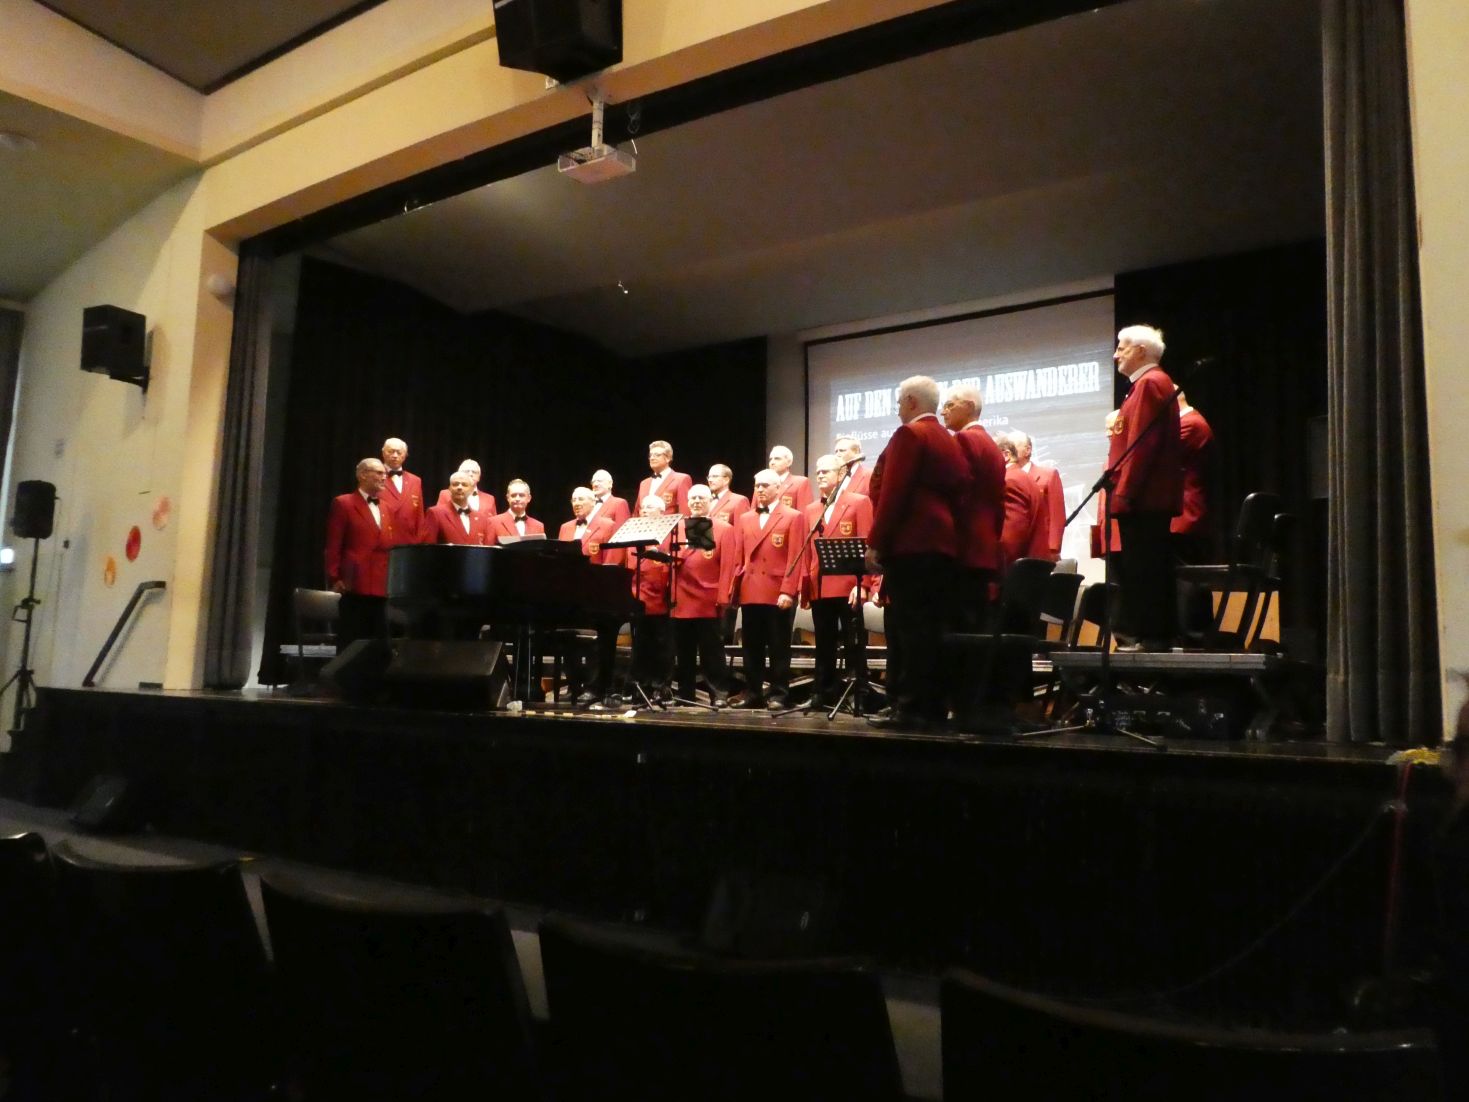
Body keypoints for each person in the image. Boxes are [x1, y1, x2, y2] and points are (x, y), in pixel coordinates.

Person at [865, 375, 968, 729]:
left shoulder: (910, 434)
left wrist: (877, 542)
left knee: (910, 631)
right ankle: (931, 708)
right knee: (933, 630)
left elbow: (894, 493)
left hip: (912, 543)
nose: (898, 410)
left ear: (911, 401)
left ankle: (909, 709)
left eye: (899, 402)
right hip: (942, 544)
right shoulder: (948, 439)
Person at [1109, 324, 1183, 651]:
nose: (1116, 355)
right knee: (1146, 567)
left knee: (1145, 570)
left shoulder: (1150, 383)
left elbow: (1141, 445)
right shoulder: (1147, 384)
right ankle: (1153, 636)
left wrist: (1125, 492)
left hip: (1144, 498)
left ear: (1141, 350)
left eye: (1122, 347)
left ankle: (1151, 637)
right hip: (1146, 496)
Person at [731, 469, 808, 709]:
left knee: (778, 646)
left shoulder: (793, 516)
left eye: (765, 485)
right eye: (757, 485)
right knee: (751, 646)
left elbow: (795, 556)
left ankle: (779, 694)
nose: (760, 489)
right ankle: (753, 693)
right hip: (751, 589)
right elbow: (739, 556)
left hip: (777, 590)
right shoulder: (745, 518)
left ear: (778, 488)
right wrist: (735, 589)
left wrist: (788, 590)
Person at [802, 454, 873, 709]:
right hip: (820, 586)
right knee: (824, 643)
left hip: (848, 585)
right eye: (818, 472)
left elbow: (867, 545)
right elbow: (808, 552)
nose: (820, 475)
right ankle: (823, 693)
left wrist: (864, 585)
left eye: (826, 471)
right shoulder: (812, 509)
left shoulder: (858, 502)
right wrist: (806, 588)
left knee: (854, 643)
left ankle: (858, 694)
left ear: (841, 474)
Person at [942, 386, 1006, 629]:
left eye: (949, 405)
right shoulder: (991, 445)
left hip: (964, 545)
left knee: (960, 627)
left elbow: (957, 493)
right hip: (985, 546)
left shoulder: (963, 439)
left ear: (969, 406)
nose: (943, 412)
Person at [323, 457, 399, 648]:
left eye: (385, 474)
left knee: (379, 644)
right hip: (354, 584)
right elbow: (334, 544)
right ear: (363, 475)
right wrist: (334, 577)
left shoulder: (387, 508)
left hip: (381, 586)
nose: (384, 477)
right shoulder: (344, 503)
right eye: (379, 473)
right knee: (352, 641)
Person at [671, 485, 736, 706]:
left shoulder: (724, 528)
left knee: (712, 651)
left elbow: (728, 566)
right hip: (682, 596)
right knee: (684, 650)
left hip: (709, 597)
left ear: (710, 501)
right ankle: (685, 695)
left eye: (701, 497)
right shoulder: (677, 527)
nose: (697, 501)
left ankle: (718, 694)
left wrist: (724, 597)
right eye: (693, 498)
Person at [560, 487, 625, 706]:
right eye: (573, 499)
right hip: (569, 594)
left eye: (581, 499)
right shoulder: (565, 527)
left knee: (601, 639)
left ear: (594, 502)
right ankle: (574, 684)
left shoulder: (607, 525)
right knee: (567, 639)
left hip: (598, 594)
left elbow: (613, 562)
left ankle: (595, 686)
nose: (577, 503)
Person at [626, 495, 675, 700]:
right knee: (641, 645)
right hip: (637, 597)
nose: (644, 510)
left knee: (662, 645)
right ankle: (640, 687)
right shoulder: (632, 533)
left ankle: (660, 687)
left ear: (662, 512)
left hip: (661, 598)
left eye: (650, 507)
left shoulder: (670, 535)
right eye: (643, 507)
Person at [1171, 391, 1215, 563]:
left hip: (1184, 514)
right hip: (1182, 513)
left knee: (1180, 573)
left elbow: (1159, 457)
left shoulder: (1189, 423)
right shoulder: (1191, 421)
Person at [998, 433, 1049, 566]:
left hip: (1018, 571)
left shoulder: (1010, 480)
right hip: (1033, 567)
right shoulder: (1023, 477)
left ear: (1006, 455)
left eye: (992, 454)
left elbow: (1011, 540)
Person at [1014, 432, 1065, 562]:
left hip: (1041, 547)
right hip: (1015, 547)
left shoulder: (1048, 475)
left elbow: (1057, 515)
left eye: (1013, 446)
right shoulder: (1007, 477)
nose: (1010, 451)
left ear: (1028, 450)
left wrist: (1053, 548)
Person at [421, 470, 495, 545]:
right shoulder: (435, 514)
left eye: (464, 485)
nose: (459, 487)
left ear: (471, 490)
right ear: (449, 489)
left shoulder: (482, 519)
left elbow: (486, 549)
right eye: (455, 484)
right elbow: (427, 547)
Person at [379, 437, 424, 540]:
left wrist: (419, 542)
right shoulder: (375, 477)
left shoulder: (415, 480)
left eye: (399, 452)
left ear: (405, 455)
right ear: (383, 453)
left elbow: (419, 516)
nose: (395, 455)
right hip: (383, 539)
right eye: (391, 451)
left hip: (409, 541)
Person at [638, 440, 693, 515]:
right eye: (650, 455)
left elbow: (685, 512)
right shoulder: (644, 483)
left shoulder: (681, 479)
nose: (652, 458)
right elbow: (637, 512)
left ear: (668, 458)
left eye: (657, 455)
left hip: (669, 522)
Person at [768, 445, 813, 512]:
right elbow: (753, 513)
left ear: (789, 462)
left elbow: (804, 513)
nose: (772, 462)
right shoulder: (761, 484)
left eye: (777, 459)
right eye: (770, 459)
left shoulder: (800, 482)